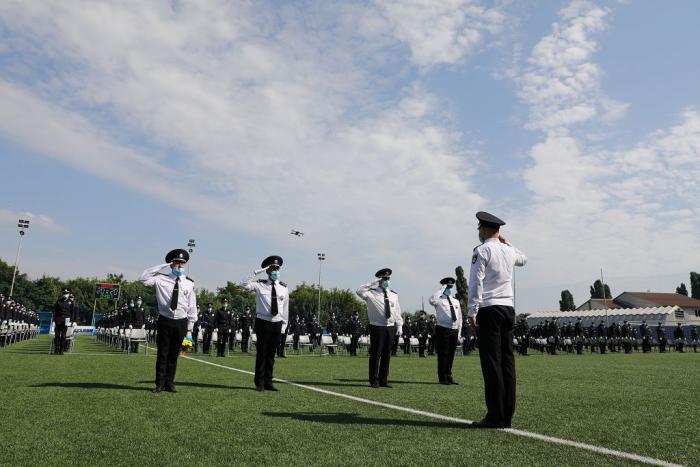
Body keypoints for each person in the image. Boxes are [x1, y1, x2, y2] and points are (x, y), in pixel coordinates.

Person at [467, 211, 526, 429]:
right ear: (498, 231)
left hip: (489, 309)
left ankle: (495, 416)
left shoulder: (482, 250)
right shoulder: (508, 250)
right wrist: (506, 242)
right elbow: (524, 259)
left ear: (483, 229)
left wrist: (472, 311)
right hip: (508, 309)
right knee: (507, 362)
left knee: (492, 363)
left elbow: (476, 282)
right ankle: (507, 415)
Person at [138, 248, 197, 393]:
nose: (179, 266)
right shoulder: (160, 279)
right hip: (165, 320)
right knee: (162, 354)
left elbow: (192, 306)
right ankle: (159, 383)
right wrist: (162, 266)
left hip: (181, 322)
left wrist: (190, 329)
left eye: (182, 263)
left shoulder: (189, 283)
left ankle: (170, 383)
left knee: (174, 354)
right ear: (171, 264)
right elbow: (143, 278)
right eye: (177, 263)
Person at [240, 255, 289, 392]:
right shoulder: (259, 284)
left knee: (272, 354)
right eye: (272, 268)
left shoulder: (284, 287)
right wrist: (256, 272)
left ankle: (269, 381)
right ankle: (259, 382)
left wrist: (284, 326)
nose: (275, 271)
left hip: (277, 323)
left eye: (277, 268)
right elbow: (243, 284)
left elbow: (285, 308)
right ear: (267, 270)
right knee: (262, 353)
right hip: (263, 322)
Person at [356, 268, 403, 388]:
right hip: (377, 327)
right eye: (384, 279)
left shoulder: (393, 295)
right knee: (376, 354)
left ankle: (383, 379)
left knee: (387, 354)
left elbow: (397, 311)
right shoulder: (371, 293)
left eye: (388, 279)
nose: (386, 281)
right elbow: (359, 291)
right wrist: (373, 282)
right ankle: (374, 380)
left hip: (390, 327)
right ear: (379, 280)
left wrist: (399, 325)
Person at [429, 277, 463, 385]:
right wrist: (441, 289)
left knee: (451, 354)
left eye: (451, 286)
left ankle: (449, 375)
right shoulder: (439, 300)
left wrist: (459, 333)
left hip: (454, 329)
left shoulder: (455, 301)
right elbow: (431, 300)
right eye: (448, 286)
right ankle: (442, 377)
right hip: (443, 329)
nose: (450, 288)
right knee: (443, 354)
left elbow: (460, 318)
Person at [53, 288, 77, 355]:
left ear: (69, 294)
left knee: (63, 336)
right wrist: (54, 320)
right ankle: (56, 350)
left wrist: (72, 321)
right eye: (64, 293)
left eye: (66, 293)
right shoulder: (58, 301)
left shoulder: (71, 302)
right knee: (57, 336)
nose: (65, 294)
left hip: (66, 319)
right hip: (58, 319)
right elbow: (55, 311)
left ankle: (61, 351)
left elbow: (72, 312)